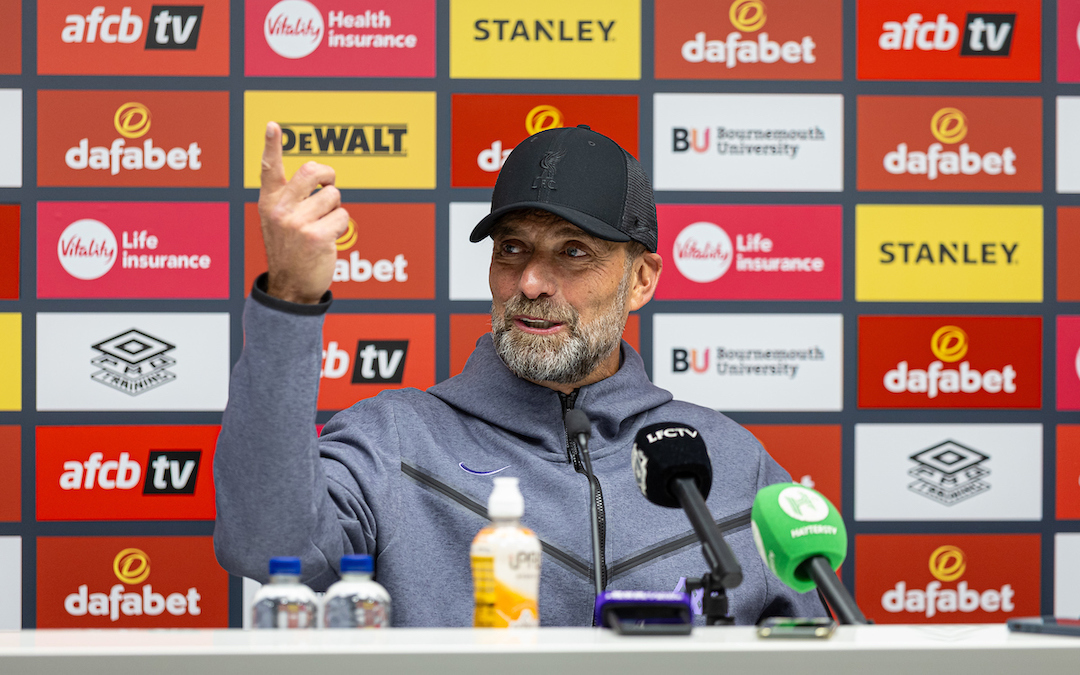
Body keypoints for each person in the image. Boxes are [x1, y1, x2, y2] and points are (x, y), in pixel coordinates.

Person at [213, 122, 826, 626]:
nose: (531, 282)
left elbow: (821, 650)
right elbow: (266, 545)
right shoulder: (395, 439)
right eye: (512, 249)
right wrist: (290, 298)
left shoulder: (728, 460)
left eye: (573, 252)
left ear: (640, 281)